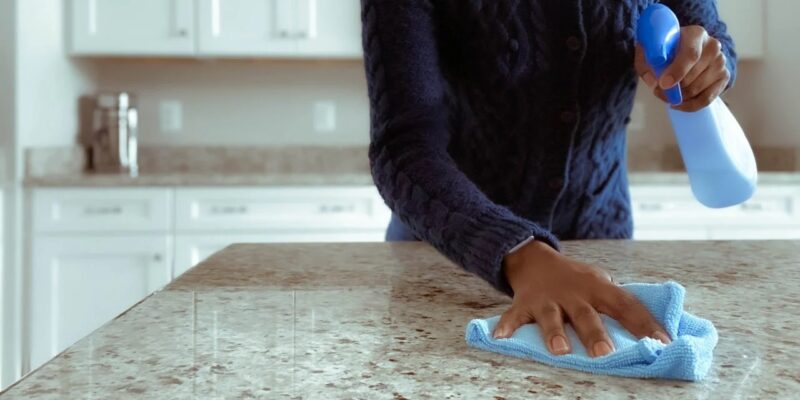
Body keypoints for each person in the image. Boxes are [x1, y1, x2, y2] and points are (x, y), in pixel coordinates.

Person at [362, 1, 735, 358]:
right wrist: (519, 254)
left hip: (601, 252)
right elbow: (403, 148)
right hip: (448, 264)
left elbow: (710, 37)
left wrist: (706, 66)